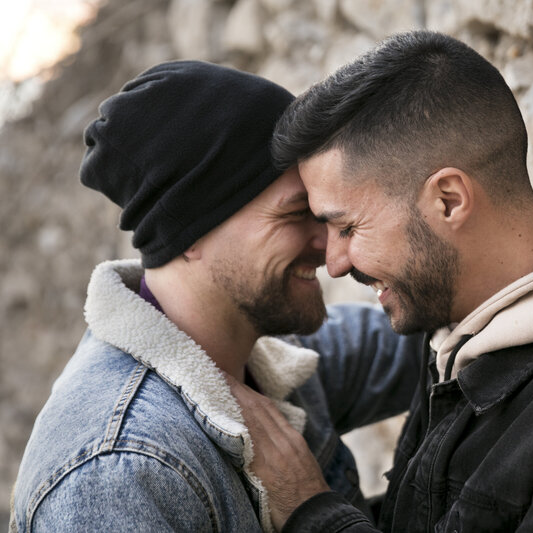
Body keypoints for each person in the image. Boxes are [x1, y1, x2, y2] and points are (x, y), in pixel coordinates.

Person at [229, 30, 533, 532]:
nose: (334, 263)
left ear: (449, 199)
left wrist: (310, 513)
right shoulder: (464, 333)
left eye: (346, 227)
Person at [9, 60, 424, 533]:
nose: (331, 249)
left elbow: (433, 330)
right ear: (190, 233)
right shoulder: (118, 473)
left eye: (321, 212)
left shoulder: (271, 362)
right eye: (294, 215)